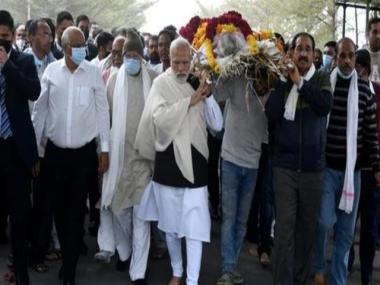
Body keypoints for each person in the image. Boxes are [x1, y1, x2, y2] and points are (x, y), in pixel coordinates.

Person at [136, 37, 223, 285]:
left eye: (186, 62)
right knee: (170, 226)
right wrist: (189, 102)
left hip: (196, 165)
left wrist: (207, 95)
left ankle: (192, 280)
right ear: (169, 60)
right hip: (167, 162)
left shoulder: (199, 84)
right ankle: (177, 271)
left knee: (194, 228)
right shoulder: (161, 84)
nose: (182, 68)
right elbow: (159, 119)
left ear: (192, 60)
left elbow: (217, 125)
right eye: (177, 62)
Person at [32, 26, 110, 285]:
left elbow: (102, 112)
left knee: (77, 211)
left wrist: (105, 149)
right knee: (60, 211)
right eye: (75, 45)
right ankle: (67, 255)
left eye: (83, 44)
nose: (81, 49)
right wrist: (36, 151)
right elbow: (40, 112)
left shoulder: (93, 73)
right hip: (54, 155)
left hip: (83, 156)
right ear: (64, 47)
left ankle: (70, 268)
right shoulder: (52, 72)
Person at [265, 32, 333, 285]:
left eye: (307, 48)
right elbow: (270, 114)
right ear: (291, 53)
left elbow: (323, 105)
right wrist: (285, 81)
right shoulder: (281, 80)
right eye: (298, 48)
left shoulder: (322, 77)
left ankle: (300, 280)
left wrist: (300, 83)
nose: (303, 53)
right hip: (284, 169)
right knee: (284, 231)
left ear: (314, 54)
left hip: (313, 171)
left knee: (306, 232)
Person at [313, 38, 380, 285]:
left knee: (345, 234)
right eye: (342, 55)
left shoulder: (364, 91)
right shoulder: (324, 87)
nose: (347, 60)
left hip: (354, 175)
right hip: (327, 170)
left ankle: (338, 280)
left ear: (355, 59)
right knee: (324, 222)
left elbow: (371, 133)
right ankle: (318, 266)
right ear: (336, 58)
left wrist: (376, 166)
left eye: (351, 56)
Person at [98, 29, 157, 284]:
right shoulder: (112, 80)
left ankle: (138, 272)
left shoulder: (153, 80)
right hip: (120, 160)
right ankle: (124, 251)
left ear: (142, 56)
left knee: (141, 217)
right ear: (122, 56)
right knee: (119, 210)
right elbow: (104, 119)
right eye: (128, 54)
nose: (132, 58)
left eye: (136, 54)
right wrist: (104, 151)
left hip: (144, 159)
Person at [213, 38, 269, 285]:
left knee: (241, 221)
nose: (259, 71)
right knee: (229, 217)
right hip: (231, 161)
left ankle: (232, 266)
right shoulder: (237, 80)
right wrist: (219, 66)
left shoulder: (272, 92)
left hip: (253, 164)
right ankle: (227, 268)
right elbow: (215, 93)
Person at [0, 10, 41, 285]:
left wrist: (7, 67)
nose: (1, 41)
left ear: (13, 35)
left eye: (5, 36)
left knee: (20, 214)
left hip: (16, 150)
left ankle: (21, 272)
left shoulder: (23, 61)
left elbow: (33, 92)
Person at [353, 48, 380, 285]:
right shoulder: (345, 90)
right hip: (350, 169)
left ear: (367, 71)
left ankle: (366, 275)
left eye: (359, 68)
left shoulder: (377, 93)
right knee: (347, 225)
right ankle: (348, 260)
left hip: (371, 172)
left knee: (369, 227)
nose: (356, 73)